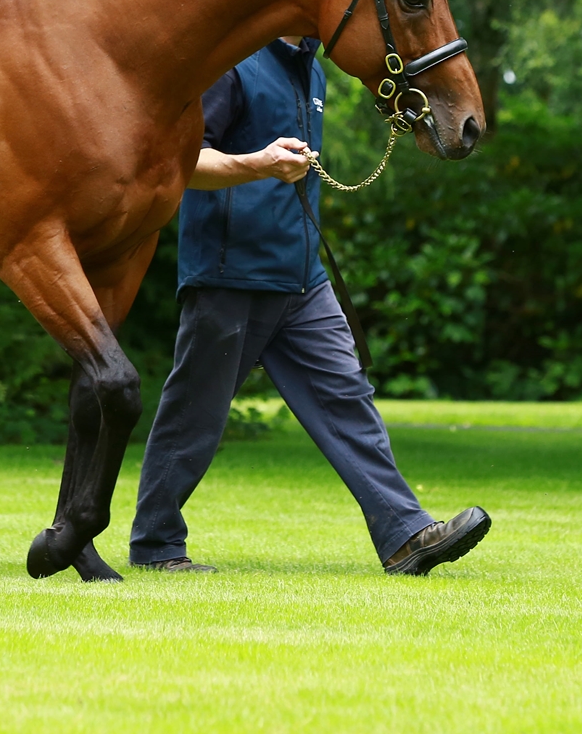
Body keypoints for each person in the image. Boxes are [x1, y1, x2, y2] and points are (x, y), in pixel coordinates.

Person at [128, 34, 490, 575]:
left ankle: (406, 536)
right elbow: (182, 163)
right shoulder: (231, 63)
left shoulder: (312, 70)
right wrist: (259, 163)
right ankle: (155, 545)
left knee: (348, 398)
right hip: (231, 274)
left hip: (302, 280)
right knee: (195, 413)